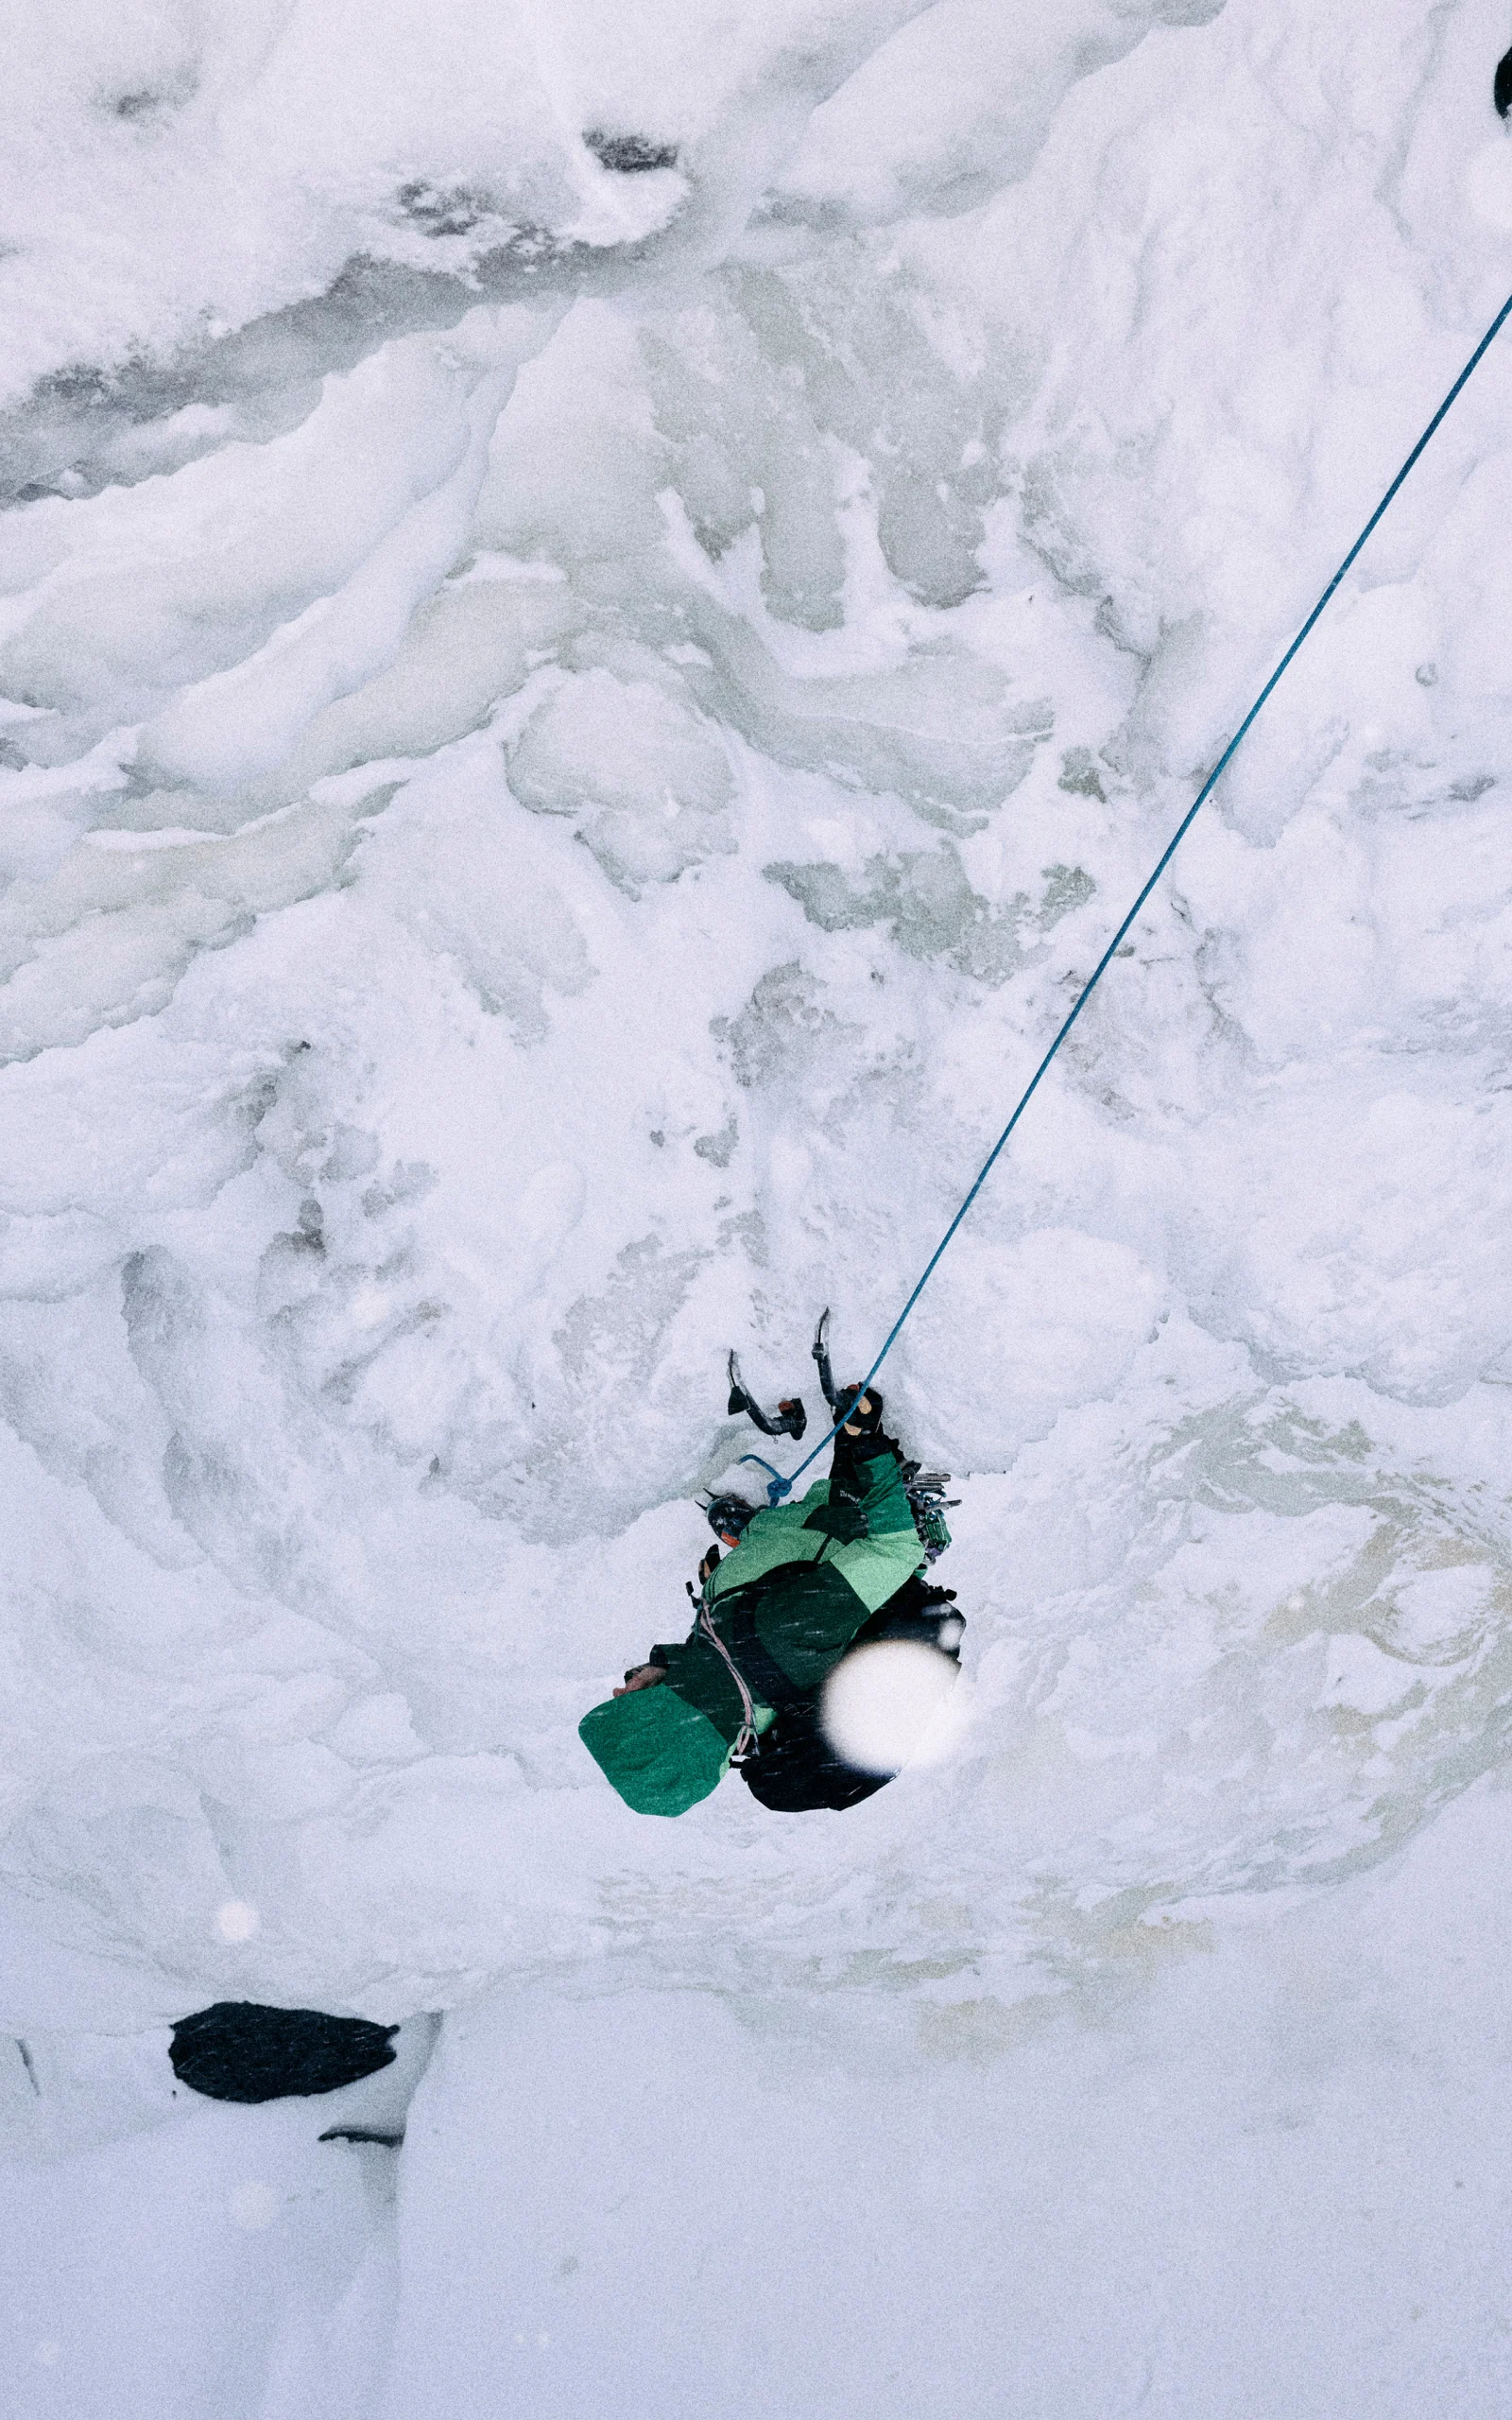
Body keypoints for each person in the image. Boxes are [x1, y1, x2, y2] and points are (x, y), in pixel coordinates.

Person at [579, 1380, 962, 1817]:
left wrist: (726, 1586)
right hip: (850, 1534)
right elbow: (892, 1549)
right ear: (659, 1719)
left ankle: (758, 1535)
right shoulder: (778, 1638)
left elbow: (730, 1649)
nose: (618, 1690)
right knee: (847, 1522)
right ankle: (901, 1500)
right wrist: (864, 1446)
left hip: (782, 1584)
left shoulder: (721, 1692)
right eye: (622, 1705)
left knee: (765, 1566)